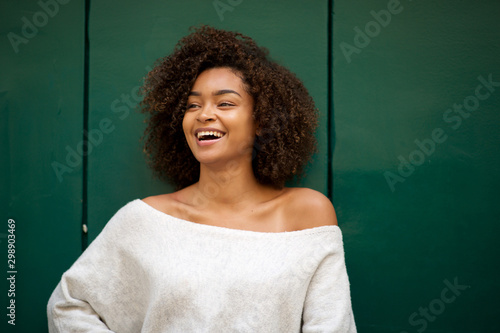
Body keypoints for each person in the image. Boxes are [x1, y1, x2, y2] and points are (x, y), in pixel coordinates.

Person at [47, 25, 356, 332]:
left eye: (225, 103)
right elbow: (68, 305)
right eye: (193, 105)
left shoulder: (306, 214)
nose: (204, 114)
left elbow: (332, 325)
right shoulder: (146, 220)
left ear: (262, 121)